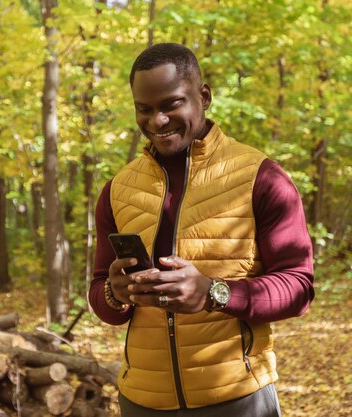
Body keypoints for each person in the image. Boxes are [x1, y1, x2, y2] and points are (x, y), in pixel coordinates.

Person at [89, 43, 314, 417]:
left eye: (171, 104)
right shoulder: (117, 190)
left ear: (204, 95)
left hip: (238, 398)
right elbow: (103, 297)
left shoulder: (261, 177)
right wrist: (115, 291)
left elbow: (299, 287)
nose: (157, 121)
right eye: (144, 109)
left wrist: (214, 292)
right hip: (142, 401)